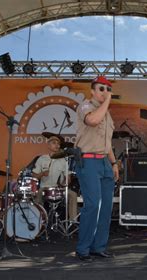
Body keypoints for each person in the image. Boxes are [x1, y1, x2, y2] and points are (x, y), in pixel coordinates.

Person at [73, 75, 118, 262]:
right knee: (93, 205)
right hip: (88, 161)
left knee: (107, 207)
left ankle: (98, 247)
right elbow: (92, 121)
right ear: (92, 91)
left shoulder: (107, 114)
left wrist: (114, 164)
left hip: (104, 162)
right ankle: (82, 249)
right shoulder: (85, 106)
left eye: (107, 89)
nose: (105, 92)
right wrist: (107, 100)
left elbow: (107, 143)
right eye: (101, 89)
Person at [31, 135, 78, 221]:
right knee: (38, 195)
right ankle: (38, 221)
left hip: (58, 188)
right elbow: (34, 176)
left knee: (73, 195)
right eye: (54, 143)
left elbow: (68, 177)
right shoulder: (42, 159)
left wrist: (65, 182)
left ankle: (72, 222)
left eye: (58, 144)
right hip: (44, 188)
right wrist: (42, 173)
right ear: (48, 145)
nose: (57, 145)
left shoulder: (63, 160)